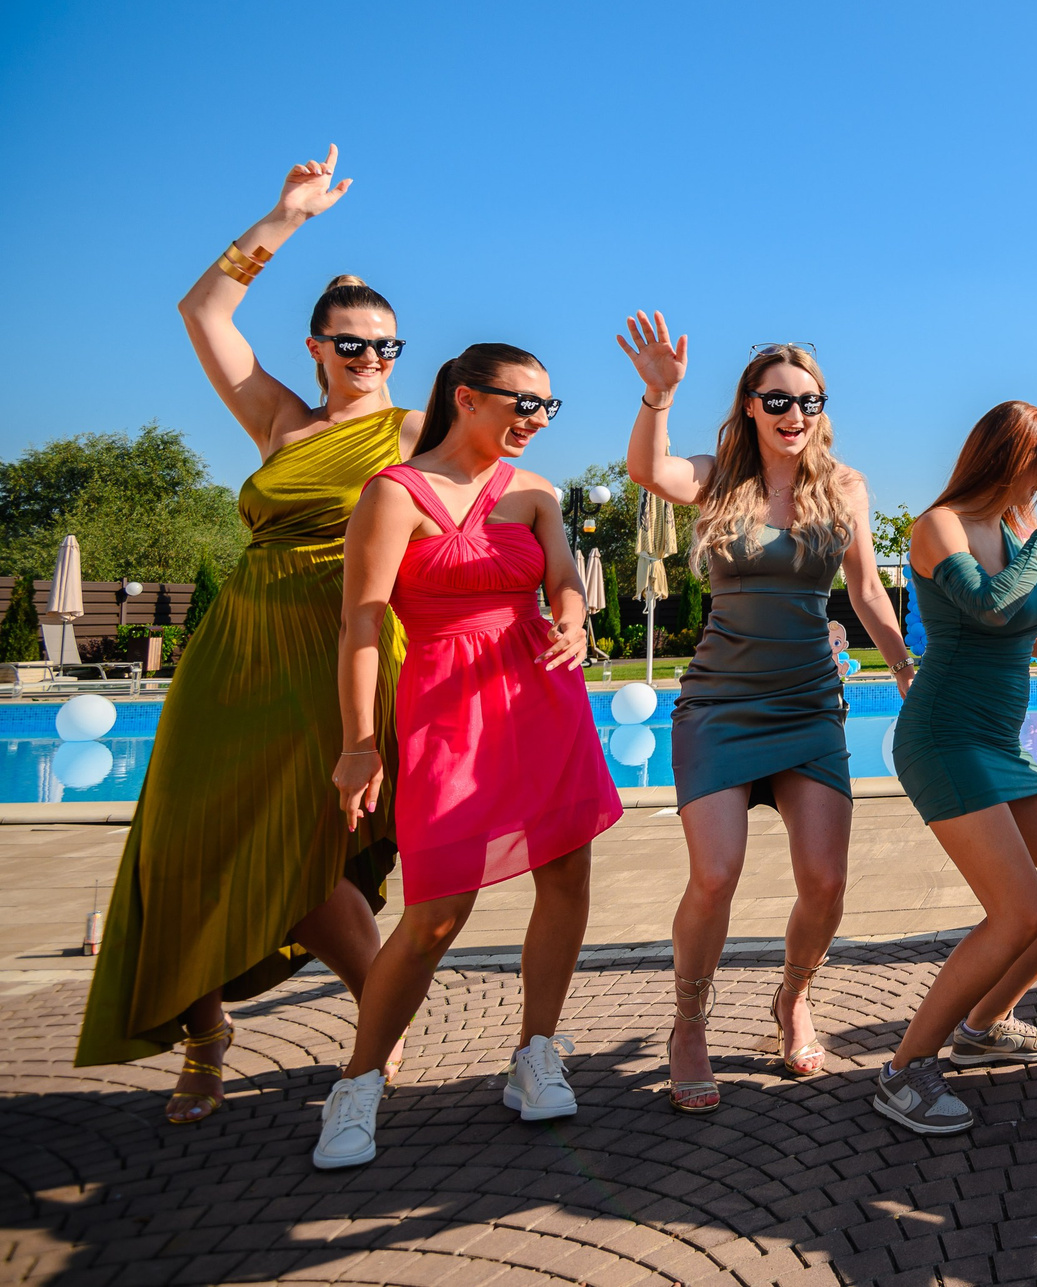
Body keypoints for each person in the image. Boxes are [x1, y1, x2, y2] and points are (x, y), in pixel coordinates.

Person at [78, 149, 421, 1121]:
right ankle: (205, 1031)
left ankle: (377, 1025)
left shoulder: (409, 429)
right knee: (185, 844)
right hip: (235, 656)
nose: (370, 360)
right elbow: (202, 313)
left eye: (386, 346)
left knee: (313, 854)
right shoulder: (277, 418)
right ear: (315, 346)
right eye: (352, 344)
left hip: (341, 655)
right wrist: (288, 216)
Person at [310, 344, 621, 1168]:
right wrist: (357, 744)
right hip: (447, 710)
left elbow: (562, 580)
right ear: (466, 398)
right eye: (523, 402)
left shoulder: (535, 493)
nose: (536, 420)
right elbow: (363, 628)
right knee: (437, 913)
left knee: (565, 878)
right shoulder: (394, 493)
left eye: (548, 406)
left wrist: (574, 618)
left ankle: (536, 1052)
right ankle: (360, 1081)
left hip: (541, 700)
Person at [617, 320, 916, 1112]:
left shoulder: (844, 486)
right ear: (751, 405)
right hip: (720, 703)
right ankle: (689, 1021)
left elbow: (866, 593)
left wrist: (903, 666)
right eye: (778, 398)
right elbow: (646, 469)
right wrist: (659, 395)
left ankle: (794, 995)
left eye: (808, 399)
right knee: (715, 875)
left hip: (809, 704)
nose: (794, 412)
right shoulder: (718, 476)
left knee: (825, 882)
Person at [878, 402, 1037, 1135]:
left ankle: (986, 1021)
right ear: (1008, 458)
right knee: (1016, 910)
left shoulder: (1014, 530)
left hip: (999, 743)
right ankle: (904, 1070)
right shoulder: (940, 524)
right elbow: (988, 606)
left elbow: (1017, 625)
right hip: (946, 737)